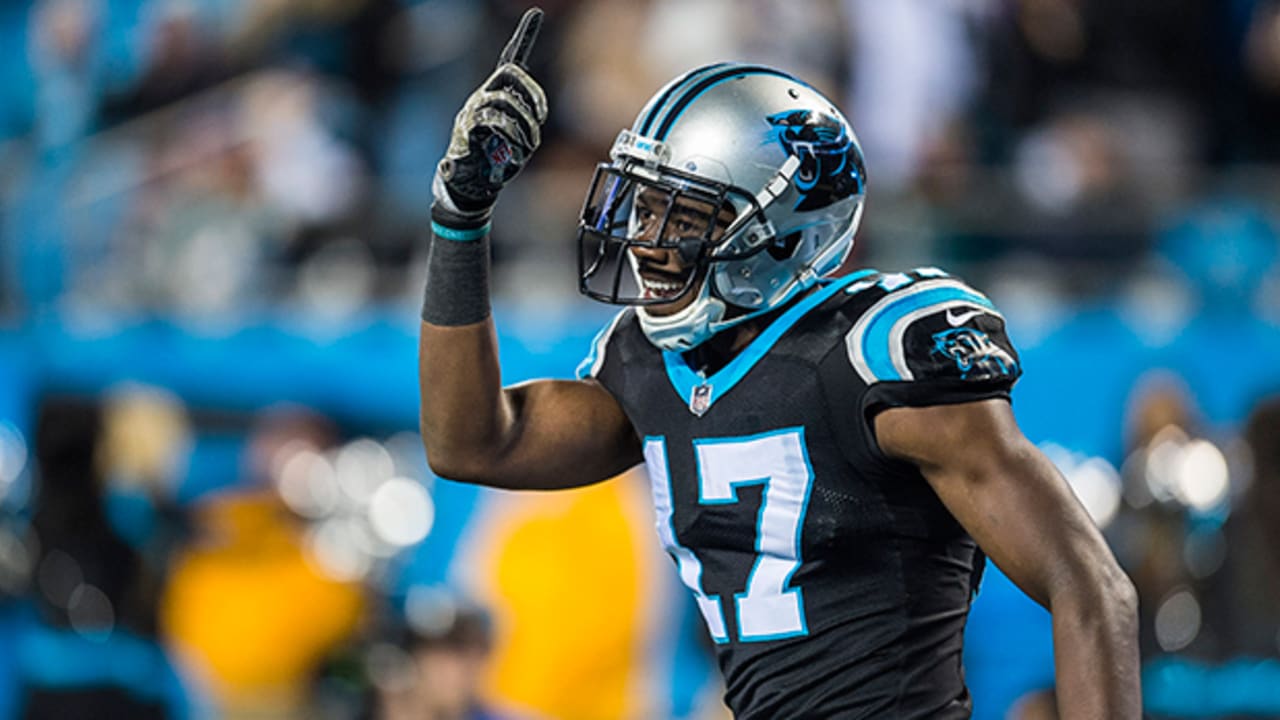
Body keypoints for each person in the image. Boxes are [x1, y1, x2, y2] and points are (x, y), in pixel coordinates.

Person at [418, 9, 1139, 718]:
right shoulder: (650, 365)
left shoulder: (872, 358)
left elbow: (1091, 587)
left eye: (686, 216)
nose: (647, 241)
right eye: (644, 206)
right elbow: (473, 442)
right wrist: (460, 220)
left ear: (786, 232)